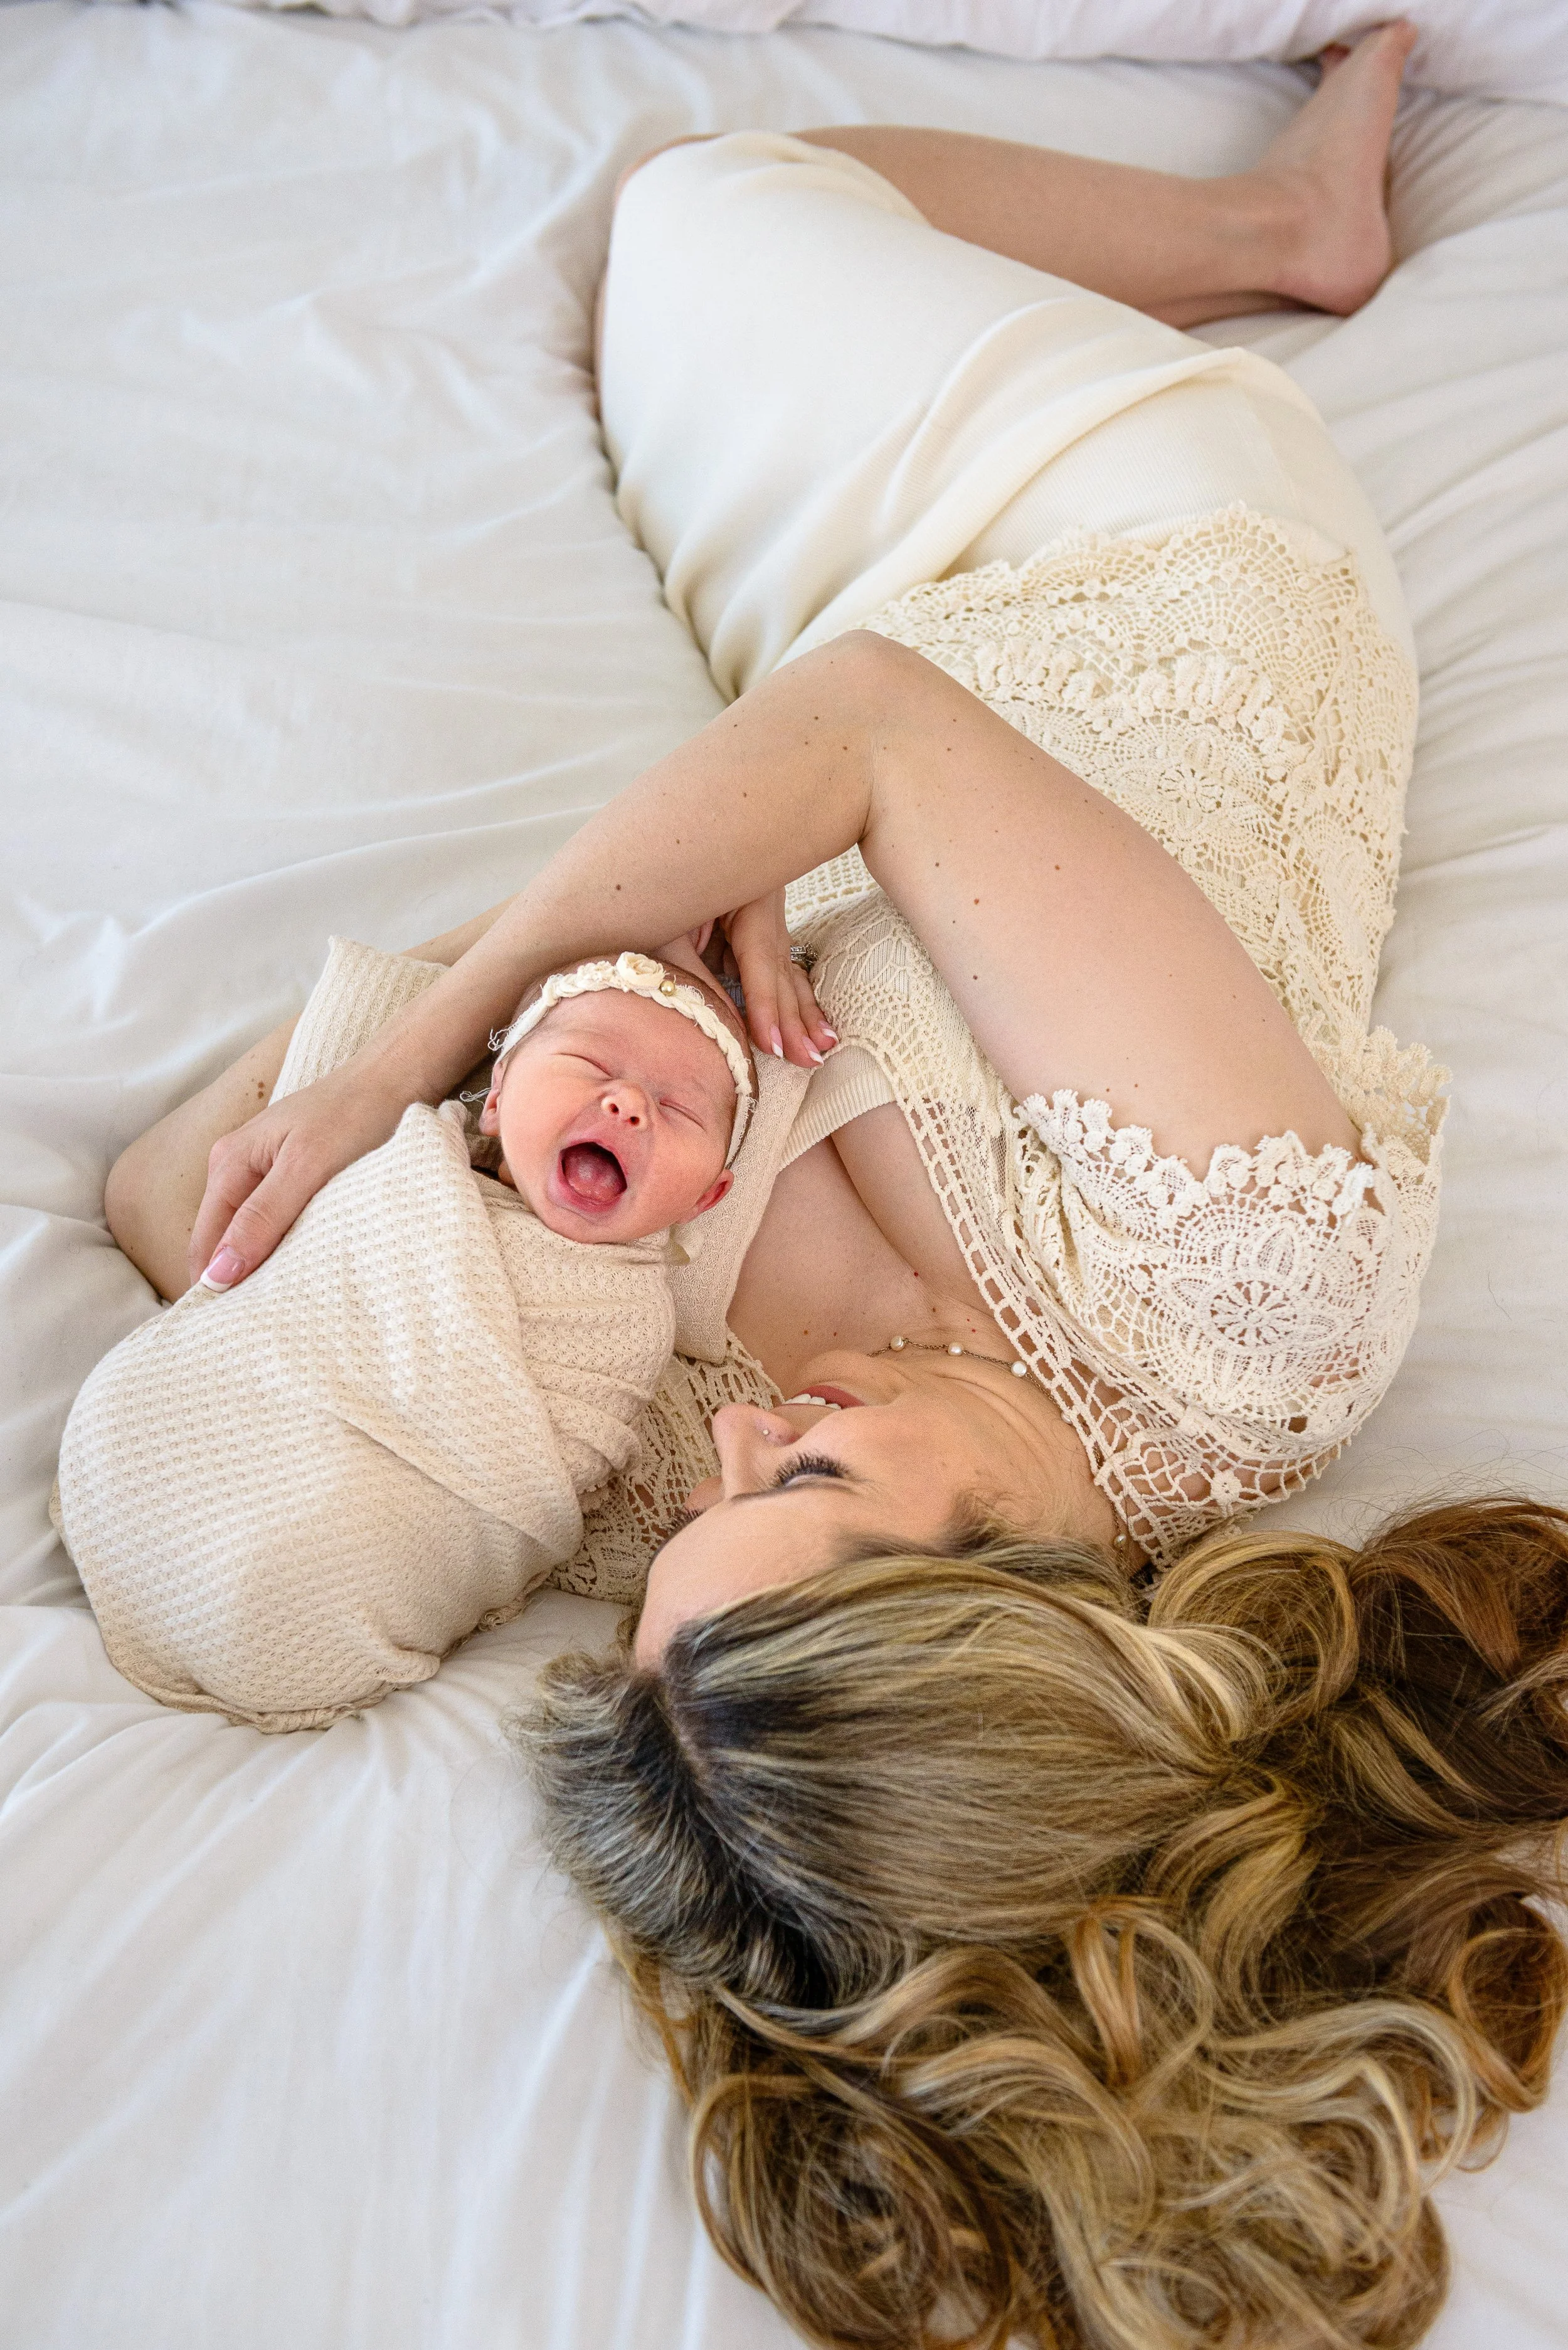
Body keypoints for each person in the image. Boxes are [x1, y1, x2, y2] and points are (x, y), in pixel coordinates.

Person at [96, 21, 1568, 2341]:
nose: (736, 1432)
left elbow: (194, 1192)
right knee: (705, 204)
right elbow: (886, 723)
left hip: (821, 700)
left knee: (677, 255)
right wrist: (548, 949)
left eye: (708, 1513)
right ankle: (1262, 241)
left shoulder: (680, 1529)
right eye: (818, 1471)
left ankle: (1253, 231)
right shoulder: (1242, 1297)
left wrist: (503, 1087)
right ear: (1048, 1596)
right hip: (1128, 561)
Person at [55, 937, 765, 1729]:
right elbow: (288, 1291)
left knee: (320, 1544)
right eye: (592, 1065)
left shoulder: (628, 1321)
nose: (627, 1103)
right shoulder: (404, 1162)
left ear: (709, 1196)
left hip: (324, 1555)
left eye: (676, 1109)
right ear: (495, 1097)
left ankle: (271, 1601)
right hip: (200, 1412)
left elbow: (560, 1467)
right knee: (137, 1407)